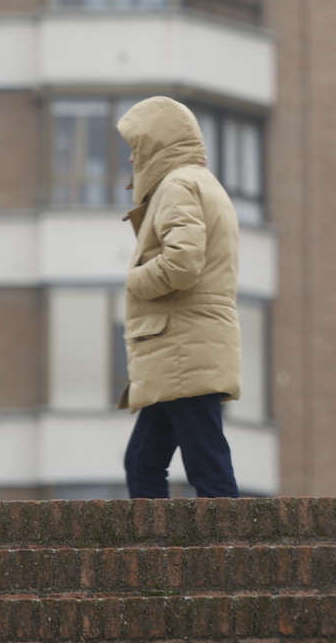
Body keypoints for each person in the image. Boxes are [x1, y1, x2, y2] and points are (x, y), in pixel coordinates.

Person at [115, 95, 241, 499]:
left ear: (156, 144)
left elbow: (183, 263)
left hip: (182, 347)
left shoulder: (178, 184)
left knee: (204, 466)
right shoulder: (200, 183)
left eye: (137, 149)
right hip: (181, 349)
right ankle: (157, 555)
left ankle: (227, 555)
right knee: (144, 462)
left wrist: (134, 281)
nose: (133, 161)